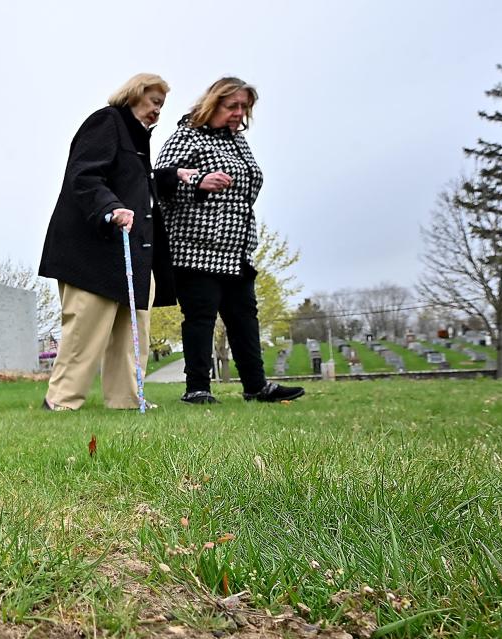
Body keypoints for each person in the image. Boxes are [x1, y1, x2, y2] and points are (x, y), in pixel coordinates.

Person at [40, 73, 189, 411]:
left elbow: (133, 181)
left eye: (161, 106)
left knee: (131, 333)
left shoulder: (137, 139)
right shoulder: (107, 122)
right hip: (92, 254)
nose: (157, 112)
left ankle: (126, 398)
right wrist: (110, 208)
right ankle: (61, 401)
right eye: (154, 102)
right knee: (85, 332)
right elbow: (84, 174)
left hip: (133, 255)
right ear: (133, 95)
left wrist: (169, 176)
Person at [154, 77, 305, 404]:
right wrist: (197, 183)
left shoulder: (237, 141)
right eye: (232, 106)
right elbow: (159, 182)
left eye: (244, 107)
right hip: (196, 248)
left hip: (236, 250)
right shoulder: (187, 136)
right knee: (200, 318)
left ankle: (256, 386)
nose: (239, 113)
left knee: (244, 318)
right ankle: (197, 389)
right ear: (214, 103)